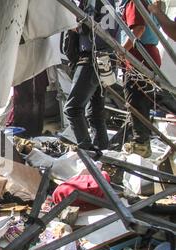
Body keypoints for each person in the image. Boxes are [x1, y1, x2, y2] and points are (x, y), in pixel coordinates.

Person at [63, 0, 117, 151]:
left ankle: (87, 150)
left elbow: (106, 31)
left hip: (94, 60)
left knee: (72, 109)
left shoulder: (102, 2)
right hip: (97, 59)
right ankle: (102, 151)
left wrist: (77, 28)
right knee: (95, 113)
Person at [121, 0, 162, 158]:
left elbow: (138, 28)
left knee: (135, 100)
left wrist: (121, 51)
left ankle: (141, 143)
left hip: (140, 55)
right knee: (141, 102)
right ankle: (141, 140)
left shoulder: (134, 1)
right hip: (147, 54)